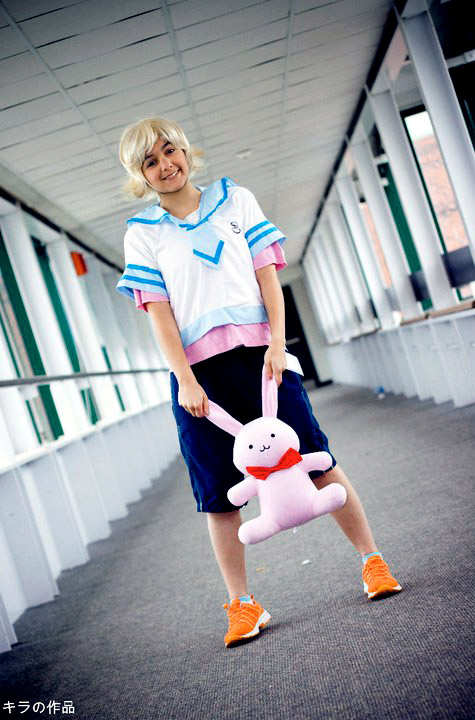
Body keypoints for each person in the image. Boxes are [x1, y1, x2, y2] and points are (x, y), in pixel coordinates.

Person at [116, 117, 402, 648]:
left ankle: (373, 561)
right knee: (220, 496)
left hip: (262, 360)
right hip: (199, 381)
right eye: (150, 162)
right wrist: (185, 380)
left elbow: (268, 276)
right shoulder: (142, 233)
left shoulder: (235, 200)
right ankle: (242, 605)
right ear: (141, 175)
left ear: (185, 150)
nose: (165, 165)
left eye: (169, 151)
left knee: (316, 459)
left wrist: (276, 343)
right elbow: (160, 314)